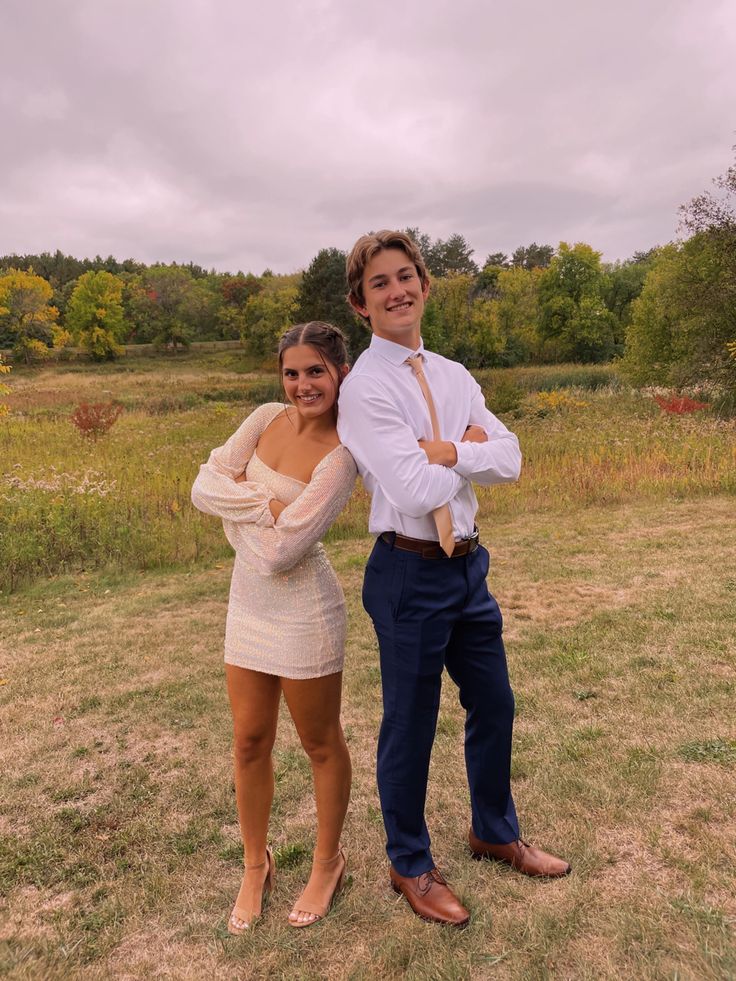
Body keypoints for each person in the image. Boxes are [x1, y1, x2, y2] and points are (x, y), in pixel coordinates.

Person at [337, 230, 570, 928]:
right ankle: (409, 863)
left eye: (407, 276)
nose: (397, 290)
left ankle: (493, 829)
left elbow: (512, 456)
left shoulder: (455, 374)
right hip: (408, 567)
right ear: (361, 303)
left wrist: (450, 449)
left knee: (494, 702)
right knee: (410, 723)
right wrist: (464, 450)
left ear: (425, 286)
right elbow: (408, 486)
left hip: (467, 563)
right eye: (380, 282)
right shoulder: (364, 388)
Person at [191, 322, 356, 933]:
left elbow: (281, 554)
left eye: (316, 371)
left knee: (320, 743)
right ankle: (255, 865)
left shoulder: (343, 454)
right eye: (292, 372)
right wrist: (269, 507)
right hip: (247, 608)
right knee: (249, 741)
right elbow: (203, 485)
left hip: (306, 611)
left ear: (339, 372)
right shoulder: (263, 418)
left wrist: (242, 504)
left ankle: (327, 861)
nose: (302, 384)